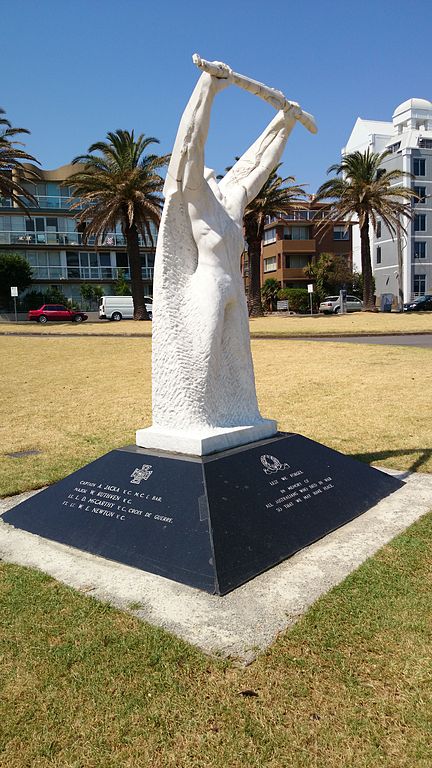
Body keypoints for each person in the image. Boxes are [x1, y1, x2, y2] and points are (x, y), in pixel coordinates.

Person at [151, 61, 309, 434]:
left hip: (233, 286)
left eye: (207, 173)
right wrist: (208, 89)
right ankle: (193, 420)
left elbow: (261, 166)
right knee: (200, 357)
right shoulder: (196, 200)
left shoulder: (233, 202)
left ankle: (242, 414)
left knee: (240, 360)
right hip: (206, 284)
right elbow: (192, 143)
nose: (203, 173)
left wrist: (287, 122)